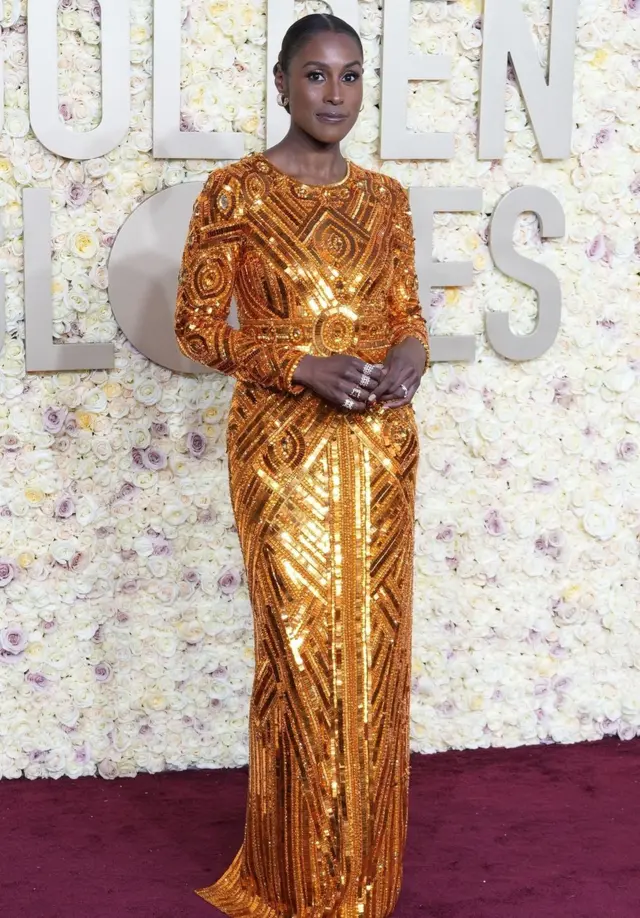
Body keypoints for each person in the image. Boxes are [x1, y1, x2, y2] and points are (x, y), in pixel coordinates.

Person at [174, 13, 429, 917]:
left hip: (379, 453)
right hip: (282, 454)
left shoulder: (388, 200)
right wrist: (297, 363)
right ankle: (293, 875)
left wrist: (408, 358)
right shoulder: (232, 193)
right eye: (316, 76)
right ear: (281, 84)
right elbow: (197, 328)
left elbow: (408, 314)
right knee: (299, 652)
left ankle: (362, 873)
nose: (335, 95)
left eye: (351, 76)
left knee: (372, 653)